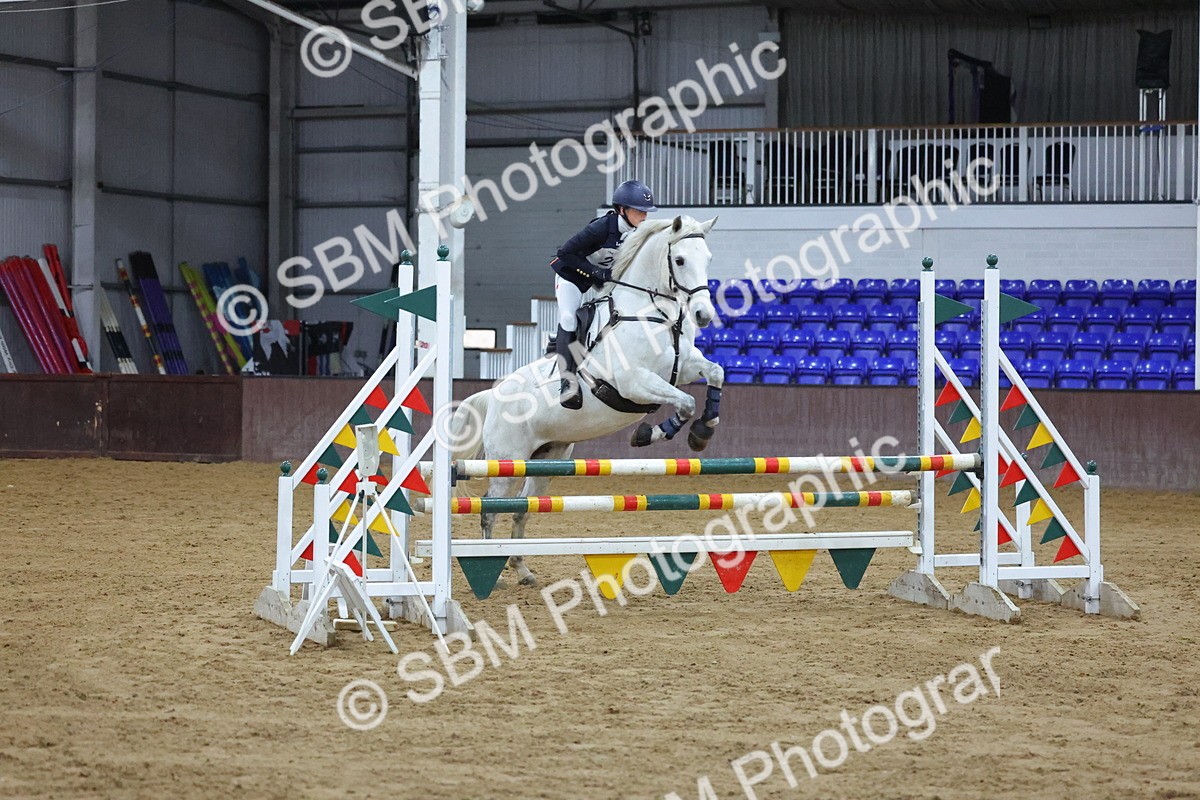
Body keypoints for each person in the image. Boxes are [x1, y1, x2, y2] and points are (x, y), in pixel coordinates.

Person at [549, 179, 657, 409]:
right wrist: (596, 271)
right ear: (621, 210)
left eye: (646, 211)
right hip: (572, 278)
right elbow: (564, 252)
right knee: (568, 317)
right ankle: (567, 382)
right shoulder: (601, 227)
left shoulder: (638, 233)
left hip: (600, 282)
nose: (644, 217)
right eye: (639, 211)